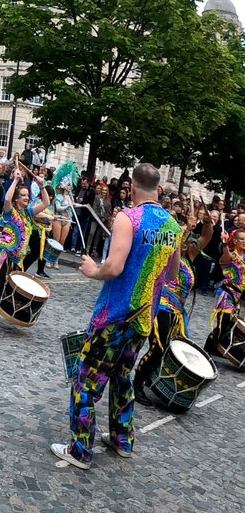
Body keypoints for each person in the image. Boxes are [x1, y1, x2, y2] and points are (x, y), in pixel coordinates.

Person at [51, 164, 181, 469]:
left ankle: (81, 449)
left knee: (85, 383)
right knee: (123, 377)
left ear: (133, 187)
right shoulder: (172, 226)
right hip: (143, 319)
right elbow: (173, 272)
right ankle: (122, 439)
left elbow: (114, 266)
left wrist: (91, 270)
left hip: (114, 317)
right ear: (158, 189)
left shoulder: (128, 217)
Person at [135, 205, 212, 405]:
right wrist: (185, 227)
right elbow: (176, 238)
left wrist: (208, 222)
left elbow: (206, 236)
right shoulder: (166, 248)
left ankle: (154, 380)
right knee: (158, 346)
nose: (187, 242)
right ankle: (136, 383)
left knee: (175, 350)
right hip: (161, 303)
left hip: (178, 312)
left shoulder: (190, 256)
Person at [0, 169, 51, 330]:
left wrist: (42, 186)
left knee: (14, 286)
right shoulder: (10, 213)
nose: (27, 197)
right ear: (17, 199)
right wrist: (16, 181)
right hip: (3, 254)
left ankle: (9, 312)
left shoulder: (29, 213)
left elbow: (46, 204)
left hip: (17, 258)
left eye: (27, 195)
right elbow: (7, 198)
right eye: (23, 195)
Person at [205, 226, 245, 357]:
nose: (244, 242)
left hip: (237, 296)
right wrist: (224, 243)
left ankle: (216, 349)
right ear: (235, 241)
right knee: (223, 324)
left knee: (228, 326)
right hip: (227, 294)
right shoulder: (230, 255)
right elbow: (225, 255)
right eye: (242, 239)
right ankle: (207, 350)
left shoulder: (244, 257)